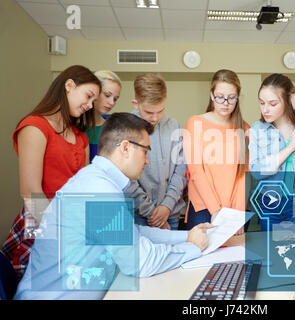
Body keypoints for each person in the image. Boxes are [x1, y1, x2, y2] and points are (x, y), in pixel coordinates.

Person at [13, 113, 212, 300]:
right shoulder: (100, 190)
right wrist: (191, 247)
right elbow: (140, 262)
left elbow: (134, 233)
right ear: (125, 148)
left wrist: (186, 236)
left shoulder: (97, 180)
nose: (147, 160)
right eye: (145, 151)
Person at [1, 65, 100, 279]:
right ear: (69, 85)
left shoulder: (81, 138)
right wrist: (57, 232)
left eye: (93, 102)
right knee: (36, 283)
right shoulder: (34, 127)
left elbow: (80, 190)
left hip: (70, 223)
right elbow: (30, 192)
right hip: (41, 220)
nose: (90, 105)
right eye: (89, 96)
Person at [183, 69, 249, 233]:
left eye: (231, 97)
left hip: (235, 210)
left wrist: (238, 214)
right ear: (212, 95)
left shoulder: (245, 128)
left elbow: (244, 174)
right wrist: (215, 211)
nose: (225, 102)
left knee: (233, 258)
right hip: (203, 208)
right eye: (220, 96)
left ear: (238, 98)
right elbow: (196, 171)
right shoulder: (195, 123)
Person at [126, 73, 187, 230]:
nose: (155, 118)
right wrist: (151, 212)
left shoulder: (174, 126)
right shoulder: (125, 128)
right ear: (135, 104)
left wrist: (167, 206)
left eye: (160, 111)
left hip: (171, 214)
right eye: (148, 112)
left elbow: (181, 171)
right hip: (137, 216)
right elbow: (126, 179)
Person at [248, 74, 295, 230]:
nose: (265, 109)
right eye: (261, 103)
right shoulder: (257, 129)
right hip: (270, 203)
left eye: (272, 103)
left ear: (288, 101)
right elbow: (256, 171)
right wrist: (289, 148)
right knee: (270, 251)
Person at [85, 70, 122, 162]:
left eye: (115, 99)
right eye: (107, 95)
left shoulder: (113, 128)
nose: (112, 102)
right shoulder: (71, 124)